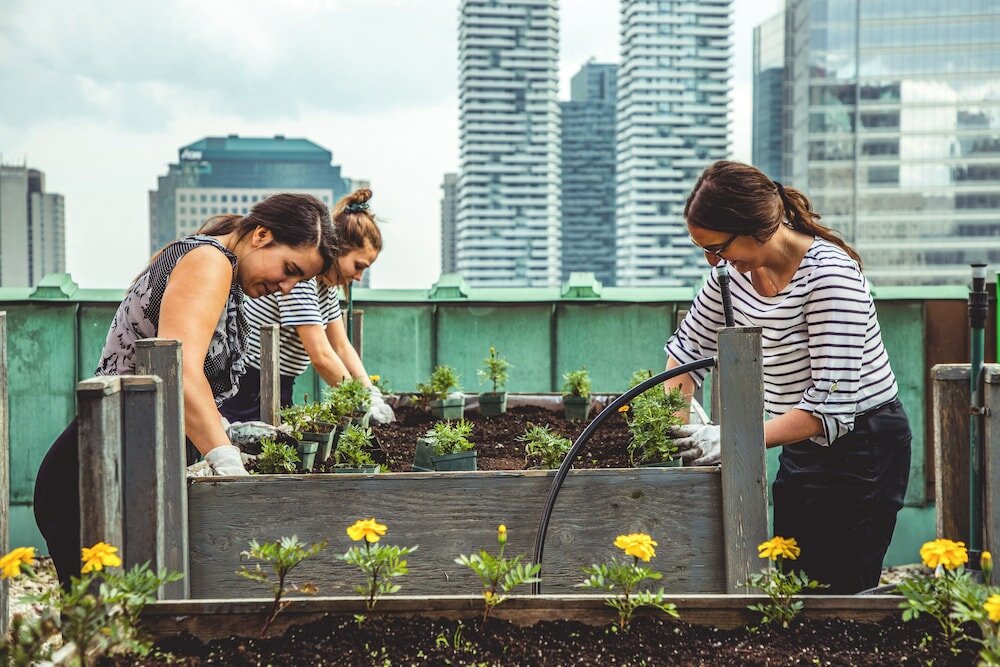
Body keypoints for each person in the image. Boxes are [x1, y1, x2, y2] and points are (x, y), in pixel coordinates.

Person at [34, 193, 338, 587]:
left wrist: (226, 431)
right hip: (103, 473)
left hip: (127, 465)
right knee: (109, 631)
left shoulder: (219, 265)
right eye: (290, 269)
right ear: (262, 235)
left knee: (125, 630)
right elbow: (180, 373)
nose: (286, 288)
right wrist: (227, 463)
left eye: (299, 281)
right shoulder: (209, 263)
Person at [663, 160, 911, 594]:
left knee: (841, 592)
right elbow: (686, 356)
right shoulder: (729, 279)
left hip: (865, 448)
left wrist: (732, 438)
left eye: (718, 247)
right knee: (794, 583)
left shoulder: (829, 277)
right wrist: (682, 427)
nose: (712, 260)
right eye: (702, 248)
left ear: (755, 228)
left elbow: (829, 410)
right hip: (799, 442)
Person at [219, 188, 394, 425]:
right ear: (337, 250)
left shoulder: (326, 288)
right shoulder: (300, 283)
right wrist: (360, 403)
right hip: (249, 381)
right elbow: (320, 355)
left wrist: (371, 393)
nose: (359, 276)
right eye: (358, 265)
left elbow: (341, 346)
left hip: (281, 380)